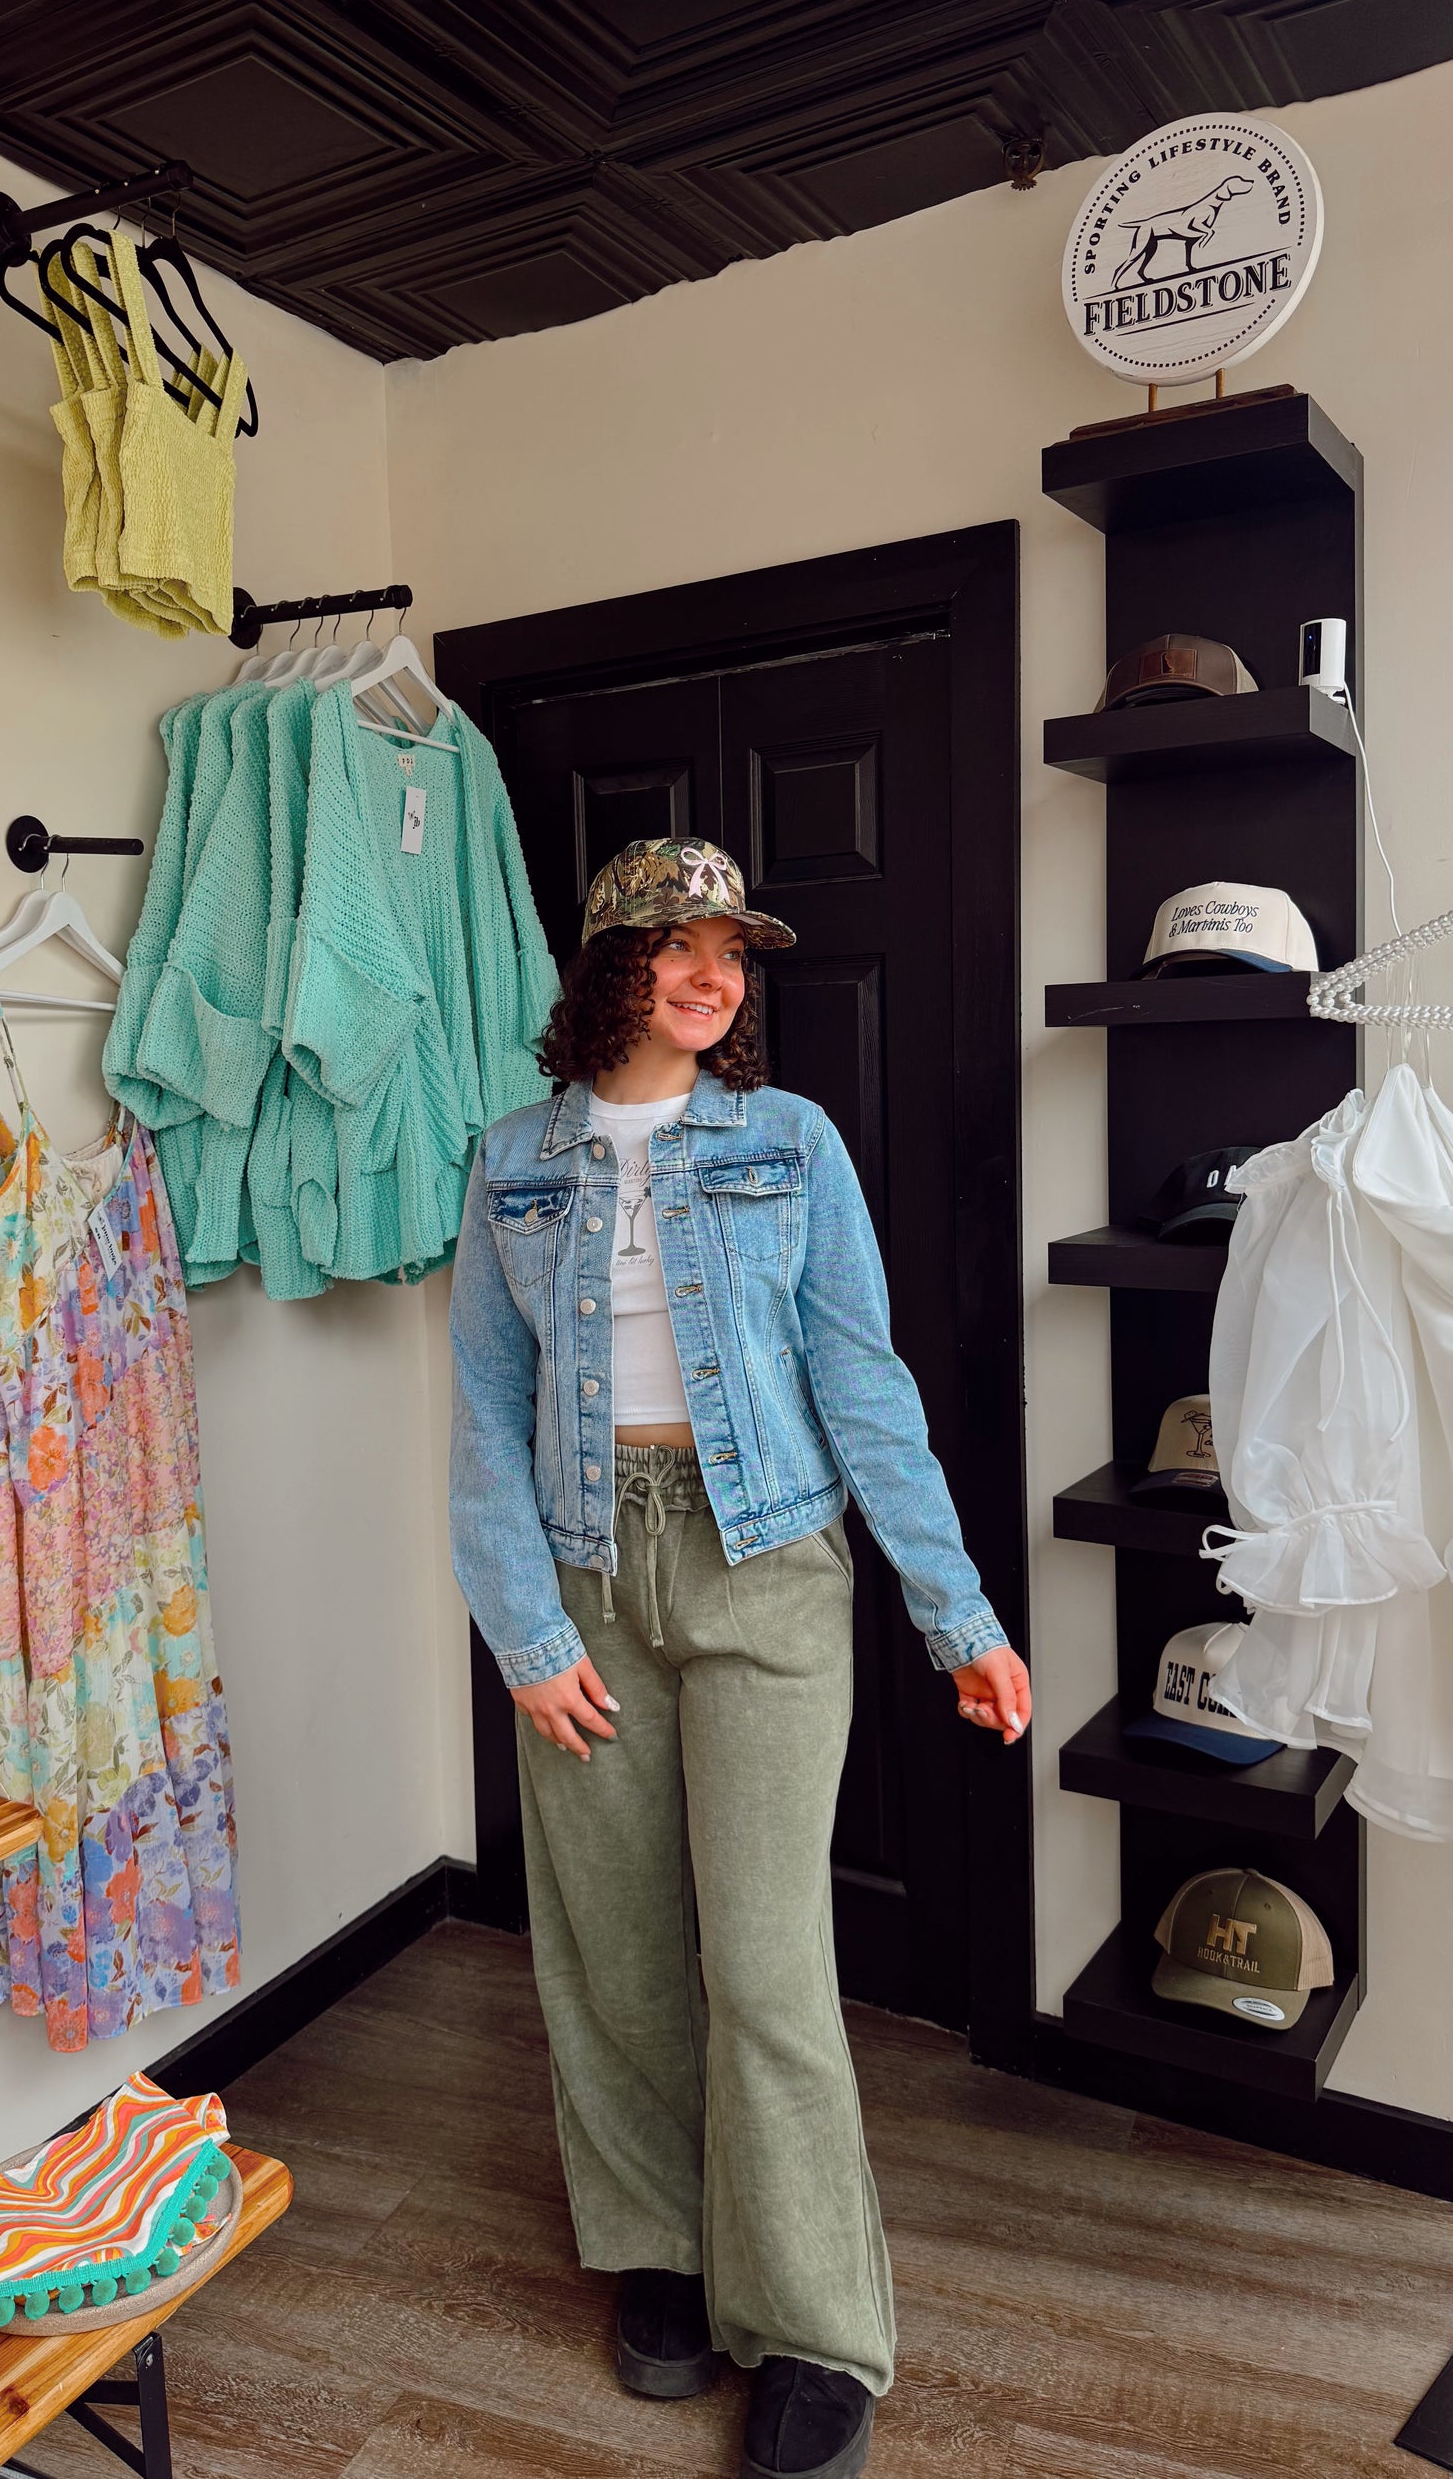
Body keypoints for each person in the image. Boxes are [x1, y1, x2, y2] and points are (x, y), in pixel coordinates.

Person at [449, 836, 1030, 2479]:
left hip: (762, 1562)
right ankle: (665, 2250)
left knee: (765, 1969)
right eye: (677, 945)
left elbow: (862, 1382)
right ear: (608, 964)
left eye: (732, 952)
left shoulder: (790, 1142)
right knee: (617, 1953)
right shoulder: (510, 1158)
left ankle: (815, 2328)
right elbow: (484, 1408)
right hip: (582, 1576)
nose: (713, 975)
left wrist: (955, 1613)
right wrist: (522, 1632)